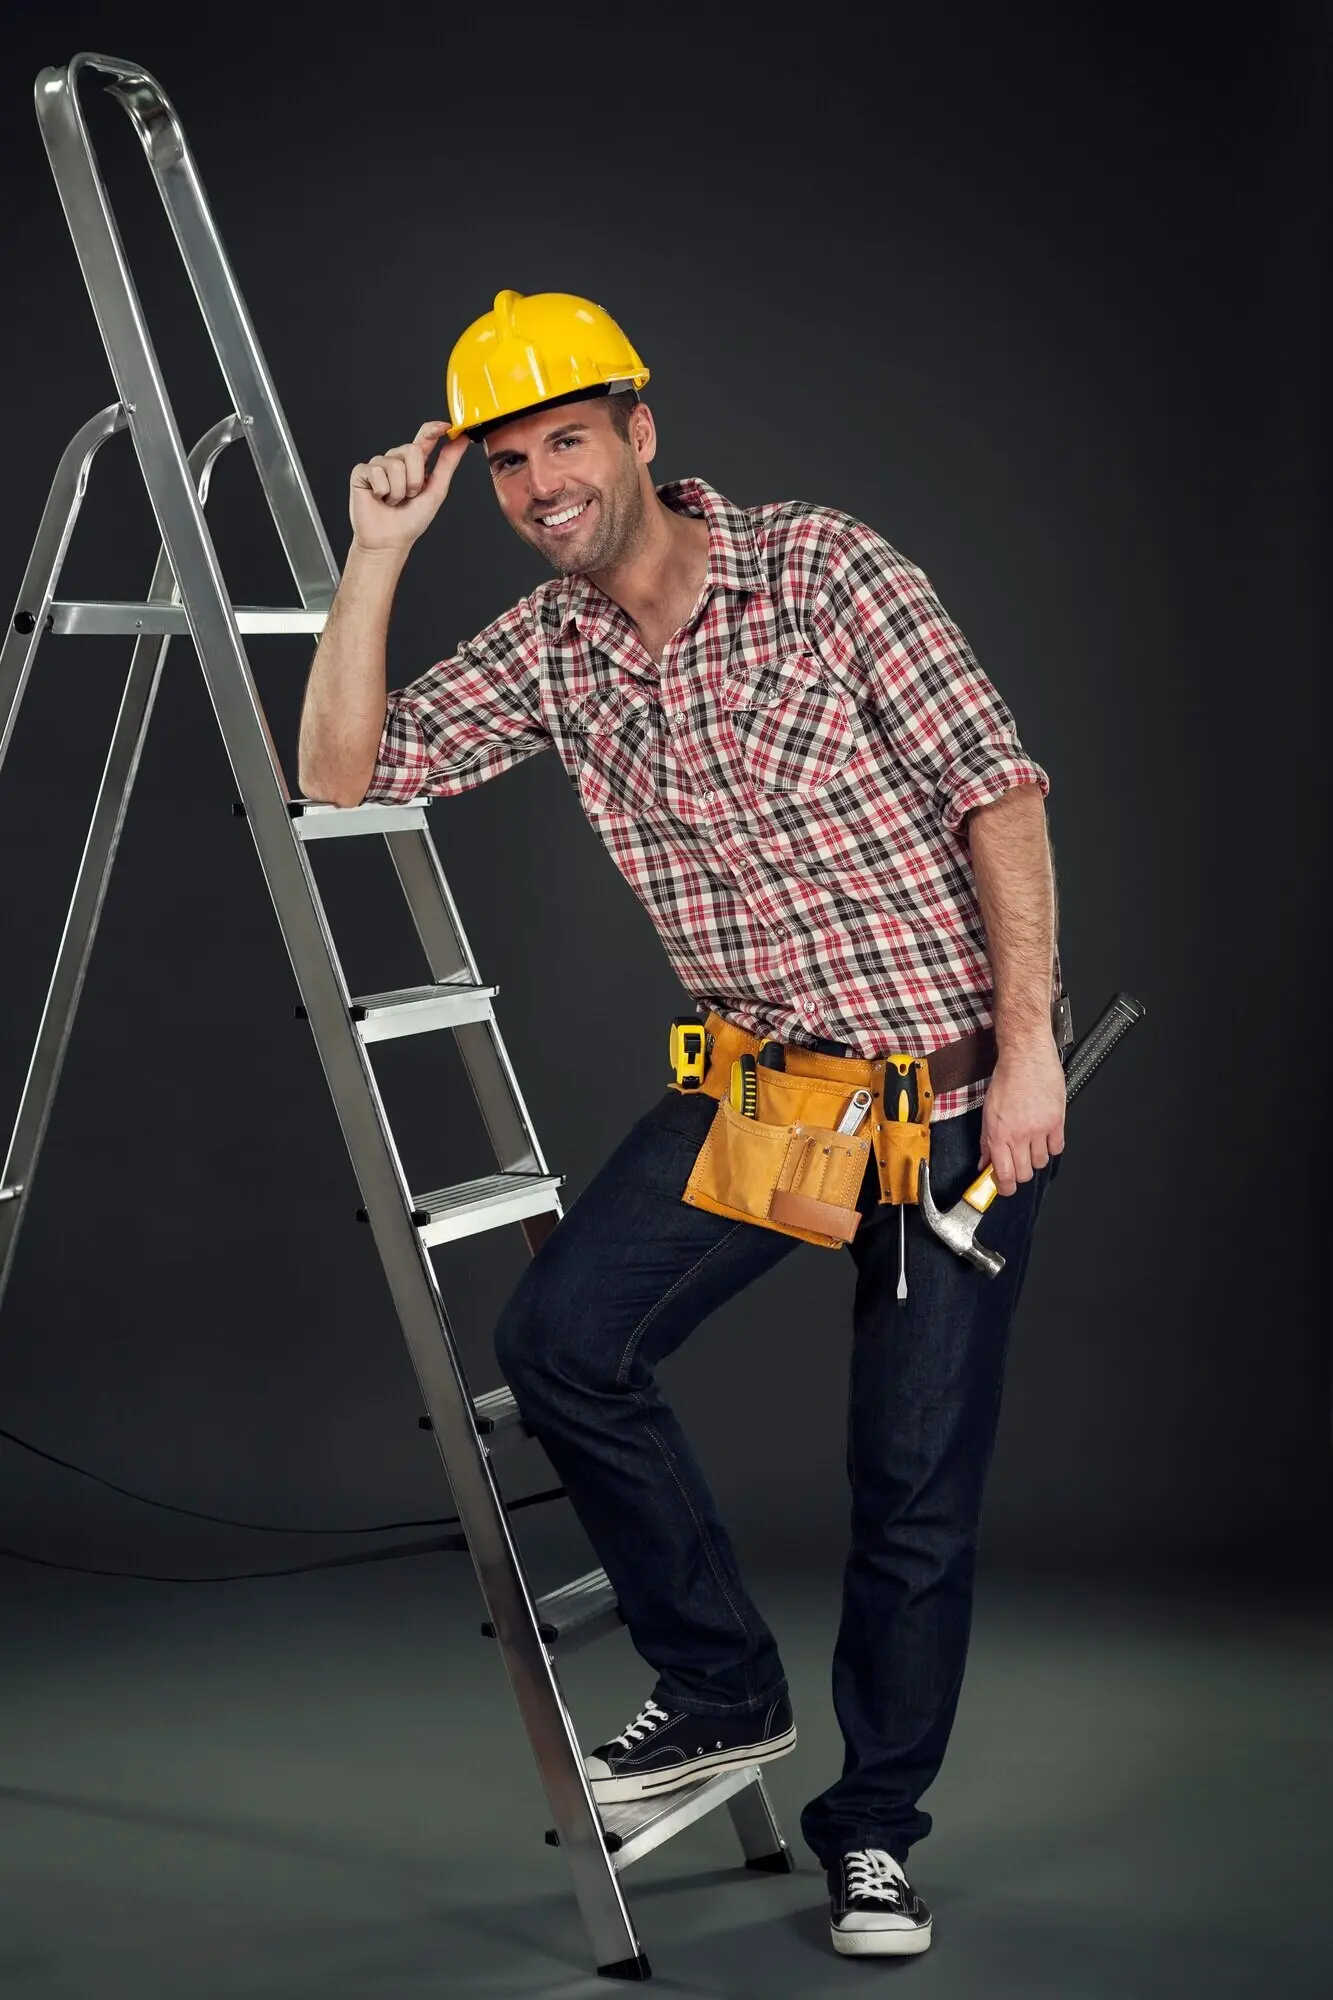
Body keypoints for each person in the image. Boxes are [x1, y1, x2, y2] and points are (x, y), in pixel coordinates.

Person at [297, 290, 1069, 1960]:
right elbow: (344, 774)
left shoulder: (827, 570)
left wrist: (1028, 1051)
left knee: (914, 1491)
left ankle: (873, 1839)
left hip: (947, 1116)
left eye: (564, 441)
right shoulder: (549, 647)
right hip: (771, 1100)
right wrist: (376, 555)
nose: (538, 485)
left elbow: (995, 787)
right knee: (566, 1340)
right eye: (505, 464)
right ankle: (720, 1688)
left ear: (641, 436)